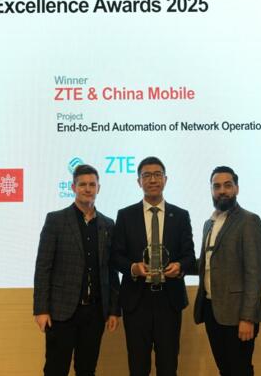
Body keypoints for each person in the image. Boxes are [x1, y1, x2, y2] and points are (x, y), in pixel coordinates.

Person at [33, 164, 120, 376]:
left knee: (87, 369)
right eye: (82, 184)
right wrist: (41, 309)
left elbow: (111, 271)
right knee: (55, 369)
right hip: (61, 312)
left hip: (95, 313)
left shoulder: (108, 225)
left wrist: (113, 310)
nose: (87, 189)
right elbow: (43, 267)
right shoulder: (56, 220)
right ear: (73, 187)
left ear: (98, 188)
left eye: (92, 184)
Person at [111, 156, 195, 376]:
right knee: (138, 366)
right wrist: (133, 268)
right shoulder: (125, 215)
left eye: (157, 175)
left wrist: (179, 266)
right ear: (139, 181)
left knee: (168, 365)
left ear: (165, 179)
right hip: (136, 301)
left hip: (169, 300)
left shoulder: (181, 215)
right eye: (146, 175)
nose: (153, 180)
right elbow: (116, 256)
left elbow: (189, 256)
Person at [192, 166, 261, 376]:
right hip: (212, 310)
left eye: (227, 185)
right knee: (225, 370)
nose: (222, 191)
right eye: (216, 186)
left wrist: (247, 318)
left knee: (240, 370)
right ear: (211, 190)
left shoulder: (249, 221)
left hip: (237, 314)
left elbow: (254, 273)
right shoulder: (209, 223)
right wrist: (179, 265)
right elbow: (208, 262)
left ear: (237, 188)